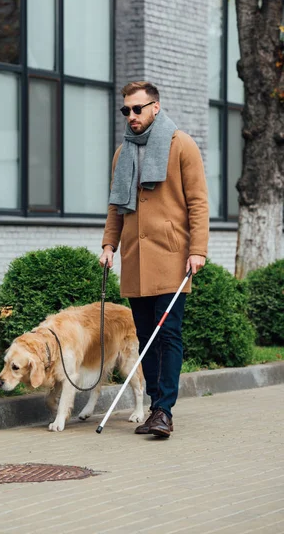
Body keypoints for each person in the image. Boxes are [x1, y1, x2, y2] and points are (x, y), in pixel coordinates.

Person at [99, 81, 209, 438]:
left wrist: (198, 250)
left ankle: (164, 410)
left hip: (172, 257)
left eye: (138, 109)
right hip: (135, 258)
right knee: (146, 335)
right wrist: (109, 245)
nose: (131, 116)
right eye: (126, 111)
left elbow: (198, 202)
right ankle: (154, 407)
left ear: (155, 108)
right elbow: (116, 205)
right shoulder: (122, 153)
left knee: (168, 334)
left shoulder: (182, 145)